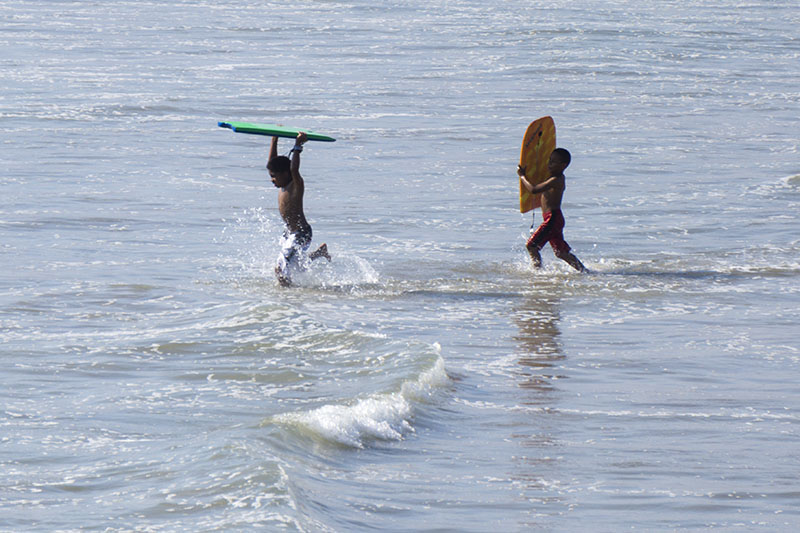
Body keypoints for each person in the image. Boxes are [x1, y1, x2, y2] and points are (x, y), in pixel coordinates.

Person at [267, 132, 330, 286]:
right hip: (290, 232)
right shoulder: (282, 184)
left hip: (301, 232)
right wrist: (274, 139)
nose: (272, 180)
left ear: (285, 173)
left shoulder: (295, 185)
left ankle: (287, 295)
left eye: (274, 176)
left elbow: (294, 169)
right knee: (294, 265)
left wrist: (298, 146)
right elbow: (272, 162)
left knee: (280, 269)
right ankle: (319, 253)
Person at [517, 148, 585, 272]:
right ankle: (584, 271)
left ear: (563, 165)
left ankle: (537, 272)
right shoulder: (552, 178)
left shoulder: (556, 180)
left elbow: (533, 190)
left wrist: (522, 176)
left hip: (552, 219)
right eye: (549, 160)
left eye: (553, 162)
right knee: (561, 253)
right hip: (554, 218)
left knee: (532, 246)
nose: (549, 164)